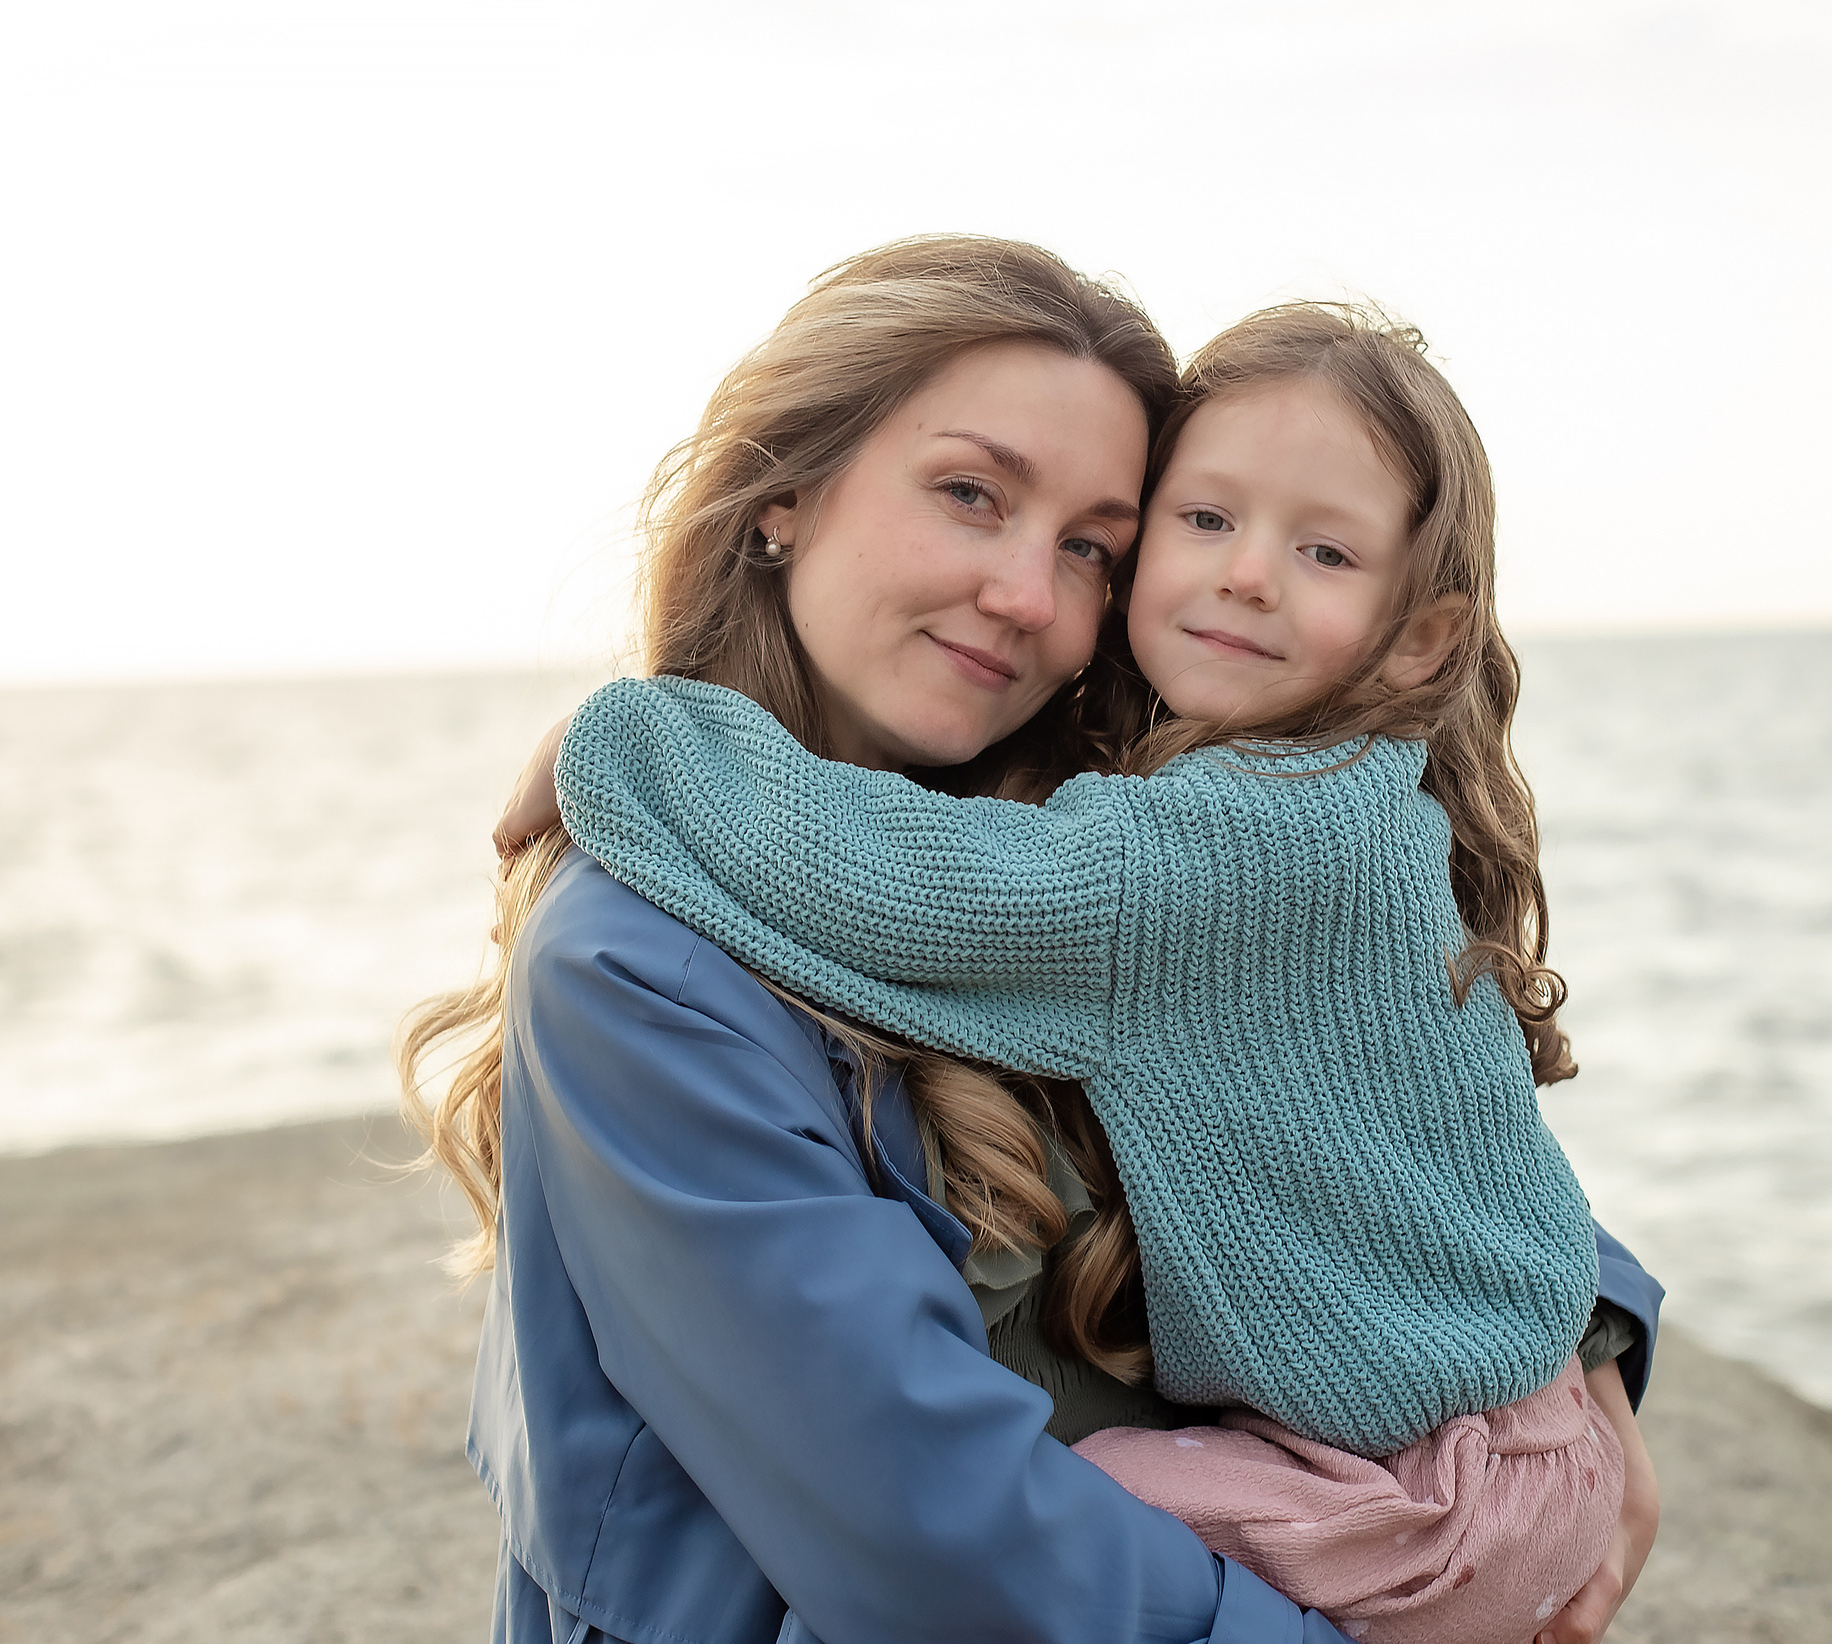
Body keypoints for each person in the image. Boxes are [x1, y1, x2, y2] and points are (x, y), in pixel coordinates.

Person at [406, 237, 1665, 1644]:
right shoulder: (639, 972)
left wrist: (1583, 1347)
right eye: (969, 494)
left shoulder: (1105, 833)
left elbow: (1383, 1114)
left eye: (1090, 549)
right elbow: (944, 1536)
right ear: (781, 498)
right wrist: (625, 742)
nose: (1025, 594)